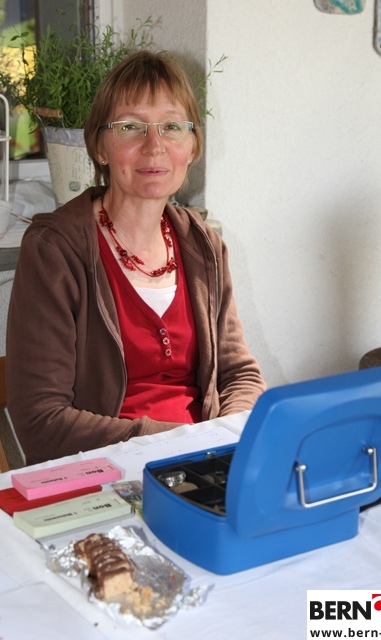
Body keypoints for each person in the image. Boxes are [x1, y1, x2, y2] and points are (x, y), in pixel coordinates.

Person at [6, 50, 266, 466]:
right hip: (106, 473)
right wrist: (185, 442)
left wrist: (230, 439)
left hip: (206, 462)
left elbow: (240, 374)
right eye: (130, 127)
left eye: (172, 127)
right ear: (100, 147)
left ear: (193, 147)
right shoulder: (55, 250)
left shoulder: (204, 246)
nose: (154, 146)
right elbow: (41, 421)